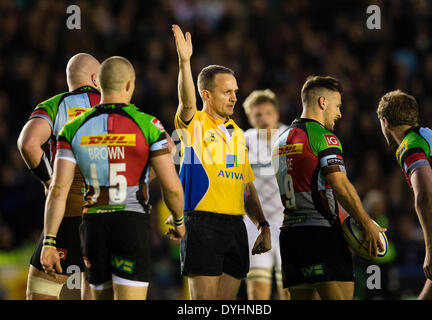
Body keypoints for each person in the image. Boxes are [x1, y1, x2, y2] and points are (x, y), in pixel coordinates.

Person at [40, 56, 185, 300]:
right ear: (130, 85)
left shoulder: (73, 129)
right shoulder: (148, 124)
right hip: (131, 224)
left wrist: (49, 241)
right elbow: (172, 188)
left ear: (100, 84)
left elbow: (58, 189)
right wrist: (179, 221)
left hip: (93, 226)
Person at [172, 24, 271, 300]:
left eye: (235, 91)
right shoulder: (194, 124)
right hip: (202, 224)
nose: (234, 97)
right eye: (227, 92)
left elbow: (247, 186)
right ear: (206, 95)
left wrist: (263, 225)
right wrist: (184, 62)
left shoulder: (238, 133)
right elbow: (186, 103)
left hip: (236, 226)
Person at [271, 75, 385, 300]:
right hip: (321, 233)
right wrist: (366, 223)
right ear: (323, 102)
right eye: (338, 106)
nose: (340, 113)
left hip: (290, 236)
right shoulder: (323, 137)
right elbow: (340, 186)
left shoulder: (279, 141)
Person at [17, 53, 101, 300]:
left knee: (41, 294)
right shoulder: (123, 110)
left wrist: (49, 180)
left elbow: (28, 143)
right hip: (111, 217)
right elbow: (164, 150)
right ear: (96, 78)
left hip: (68, 212)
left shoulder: (56, 104)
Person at [377, 89, 432, 299]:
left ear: (385, 122)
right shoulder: (429, 135)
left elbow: (424, 195)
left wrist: (431, 248)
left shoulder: (409, 147)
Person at [242, 89, 289, 300]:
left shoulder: (290, 137)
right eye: (257, 114)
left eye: (268, 112)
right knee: (257, 292)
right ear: (250, 117)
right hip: (255, 226)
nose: (263, 118)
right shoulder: (244, 141)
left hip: (288, 224)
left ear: (276, 114)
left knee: (289, 290)